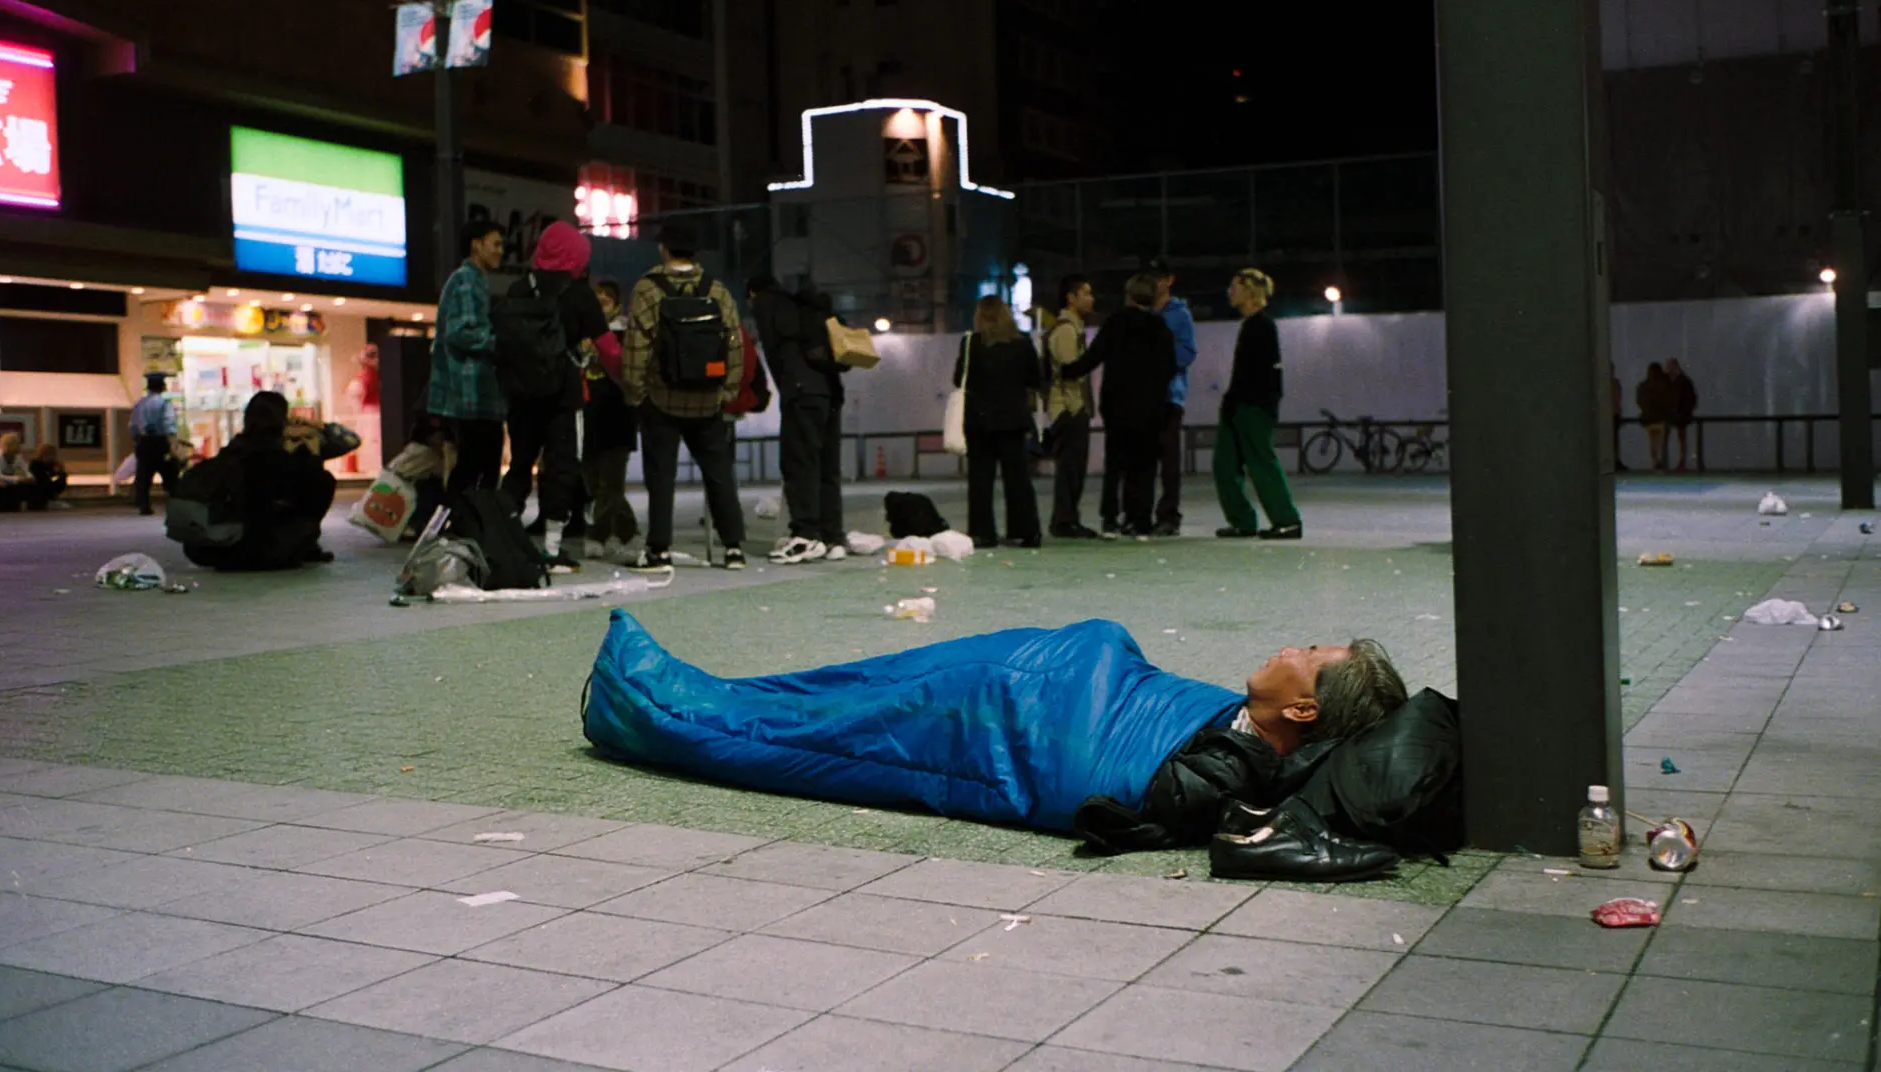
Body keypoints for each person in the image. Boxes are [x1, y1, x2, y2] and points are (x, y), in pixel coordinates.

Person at [585, 607, 1409, 874]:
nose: (1290, 649)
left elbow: (1149, 796)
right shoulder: (1242, 725)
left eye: (1307, 657)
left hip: (1015, 716)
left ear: (1303, 713)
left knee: (836, 729)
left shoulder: (1238, 766)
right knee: (845, 696)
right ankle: (685, 696)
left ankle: (652, 706)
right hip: (1048, 676)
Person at [620, 216, 747, 574]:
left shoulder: (648, 288)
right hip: (707, 400)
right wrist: (727, 390)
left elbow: (636, 347)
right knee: (719, 473)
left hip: (661, 399)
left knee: (661, 476)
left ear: (664, 248)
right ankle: (733, 548)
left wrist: (636, 392)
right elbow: (734, 343)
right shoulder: (716, 289)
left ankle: (659, 549)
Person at [499, 220, 608, 572]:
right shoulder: (579, 293)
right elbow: (609, 348)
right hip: (563, 396)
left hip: (520, 396)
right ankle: (552, 549)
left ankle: (505, 541)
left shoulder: (519, 288)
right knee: (561, 468)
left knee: (519, 465)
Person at [1060, 273, 1176, 538]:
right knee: (1144, 465)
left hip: (1118, 406)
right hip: (1150, 408)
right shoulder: (1161, 328)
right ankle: (1140, 518)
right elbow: (1170, 368)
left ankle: (1111, 516)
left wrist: (1063, 372)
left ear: (1128, 295)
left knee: (1116, 463)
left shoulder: (1116, 323)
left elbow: (1092, 358)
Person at [749, 275, 846, 564]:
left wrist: (786, 388)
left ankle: (806, 535)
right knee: (827, 467)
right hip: (830, 391)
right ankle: (833, 536)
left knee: (799, 463)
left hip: (802, 394)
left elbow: (775, 358)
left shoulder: (768, 305)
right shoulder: (809, 309)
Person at [182, 391, 337, 571]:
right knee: (324, 483)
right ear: (281, 420)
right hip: (257, 552)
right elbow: (316, 483)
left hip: (208, 551)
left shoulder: (231, 451)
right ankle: (304, 548)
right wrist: (313, 451)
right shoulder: (279, 458)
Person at [1214, 268, 1302, 540]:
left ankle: (1286, 520)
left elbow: (1265, 374)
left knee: (1261, 462)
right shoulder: (1251, 326)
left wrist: (1258, 404)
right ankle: (1242, 520)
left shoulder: (1262, 327)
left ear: (1249, 292)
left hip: (1252, 406)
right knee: (1224, 465)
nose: (1230, 292)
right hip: (1240, 405)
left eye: (1235, 287)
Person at [952, 295, 1044, 549]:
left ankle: (983, 533)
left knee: (980, 480)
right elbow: (1035, 379)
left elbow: (959, 379)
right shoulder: (1022, 343)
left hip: (979, 422)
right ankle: (1026, 531)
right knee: (1018, 478)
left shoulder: (971, 343)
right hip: (1013, 420)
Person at [429, 217, 507, 500]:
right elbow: (460, 332)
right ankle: (460, 527)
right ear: (476, 245)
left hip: (473, 396)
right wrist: (502, 343)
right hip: (471, 395)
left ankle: (463, 526)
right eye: (496, 243)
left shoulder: (473, 281)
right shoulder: (466, 281)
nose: (501, 250)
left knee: (474, 467)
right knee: (476, 468)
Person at [579, 279, 641, 561]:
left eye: (604, 302)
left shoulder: (623, 335)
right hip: (591, 417)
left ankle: (599, 533)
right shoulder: (584, 336)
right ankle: (628, 531)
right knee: (593, 479)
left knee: (611, 482)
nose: (598, 308)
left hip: (618, 417)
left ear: (616, 306)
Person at [1043, 274, 1099, 540]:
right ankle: (1064, 521)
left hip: (1073, 408)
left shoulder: (1072, 327)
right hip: (1069, 408)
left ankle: (1068, 518)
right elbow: (1070, 371)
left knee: (1074, 468)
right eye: (1085, 293)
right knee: (1070, 468)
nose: (1091, 298)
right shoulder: (1066, 330)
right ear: (1071, 298)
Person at [1146, 258, 1197, 537]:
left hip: (1169, 397)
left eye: (1158, 277)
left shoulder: (1179, 314)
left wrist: (1158, 365)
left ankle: (1168, 515)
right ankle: (1142, 513)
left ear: (1169, 280)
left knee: (1168, 460)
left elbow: (1188, 353)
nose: (1154, 283)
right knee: (1143, 459)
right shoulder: (1143, 312)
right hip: (1145, 398)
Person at [128, 374, 181, 516]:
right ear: (162, 386)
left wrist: (138, 440)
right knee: (170, 475)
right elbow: (169, 425)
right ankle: (176, 505)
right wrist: (173, 446)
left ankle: (144, 505)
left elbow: (133, 427)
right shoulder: (164, 403)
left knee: (144, 476)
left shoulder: (139, 404)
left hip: (144, 443)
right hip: (160, 443)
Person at [1636, 361, 1673, 472]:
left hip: (1648, 419)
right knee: (1661, 441)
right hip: (1661, 418)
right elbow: (1668, 400)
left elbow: (1639, 401)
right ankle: (1661, 460)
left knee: (1653, 442)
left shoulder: (1643, 386)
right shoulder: (1664, 385)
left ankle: (1655, 460)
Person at [0, 433, 33, 511]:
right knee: (0, 484)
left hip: (10, 486)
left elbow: (26, 471)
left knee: (27, 485)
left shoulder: (18, 459)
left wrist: (30, 477)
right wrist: (17, 479)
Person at [1666, 357, 1698, 472]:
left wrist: (1685, 411)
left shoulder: (1683, 381)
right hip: (1672, 414)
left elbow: (1690, 398)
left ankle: (1681, 460)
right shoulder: (1668, 381)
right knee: (1672, 437)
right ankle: (1668, 461)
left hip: (1680, 415)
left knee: (1681, 437)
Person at [28, 443, 70, 510]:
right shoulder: (35, 464)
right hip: (38, 495)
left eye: (53, 455)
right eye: (50, 455)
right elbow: (42, 480)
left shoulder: (53, 465)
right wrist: (53, 473)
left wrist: (61, 473)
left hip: (50, 493)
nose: (52, 458)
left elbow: (57, 483)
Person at [1609, 363, 1627, 472]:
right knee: (1614, 439)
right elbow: (1617, 399)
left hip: (1612, 414)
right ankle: (1614, 459)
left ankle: (1614, 459)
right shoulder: (1615, 383)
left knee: (1613, 439)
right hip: (1613, 414)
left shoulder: (1613, 383)